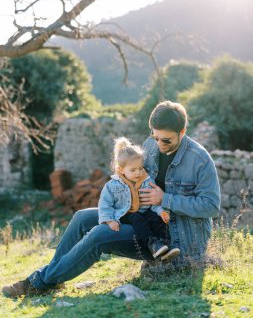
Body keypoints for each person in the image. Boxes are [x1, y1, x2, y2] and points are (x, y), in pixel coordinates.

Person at [2, 100, 220, 298]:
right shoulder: (151, 145)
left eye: (166, 140)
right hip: (139, 216)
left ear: (182, 131)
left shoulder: (200, 160)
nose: (159, 144)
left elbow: (211, 206)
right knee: (82, 217)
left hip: (170, 239)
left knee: (100, 234)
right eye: (155, 137)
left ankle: (38, 282)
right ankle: (52, 279)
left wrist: (165, 199)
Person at [99, 136, 180, 260]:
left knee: (156, 219)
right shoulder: (112, 185)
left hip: (144, 211)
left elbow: (153, 203)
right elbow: (105, 205)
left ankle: (166, 245)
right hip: (125, 213)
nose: (138, 173)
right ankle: (153, 244)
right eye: (133, 170)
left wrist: (161, 211)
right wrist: (110, 220)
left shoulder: (147, 182)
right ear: (122, 170)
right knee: (138, 220)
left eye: (140, 168)